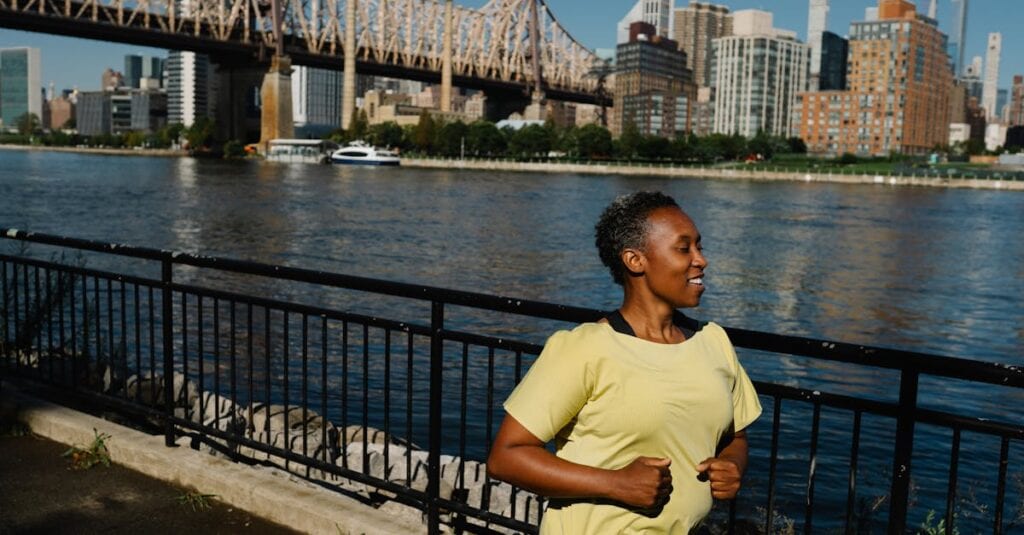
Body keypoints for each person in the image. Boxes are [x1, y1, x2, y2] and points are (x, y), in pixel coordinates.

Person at [486, 191, 762, 533]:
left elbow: (736, 437)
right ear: (635, 260)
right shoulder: (586, 348)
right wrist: (616, 483)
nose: (701, 260)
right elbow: (506, 457)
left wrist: (731, 466)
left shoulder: (713, 341)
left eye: (700, 247)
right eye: (683, 248)